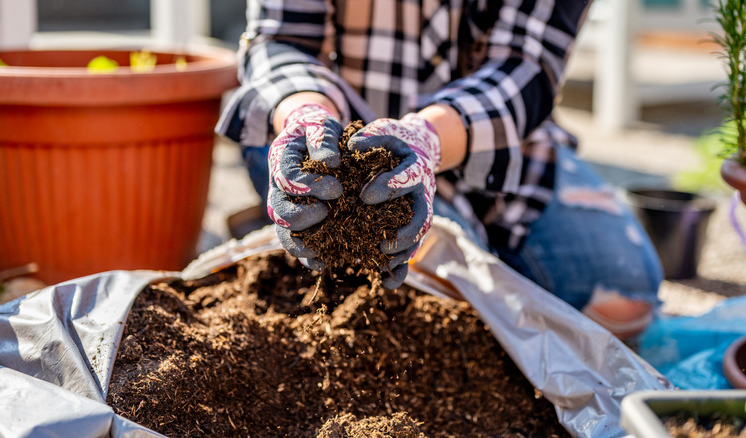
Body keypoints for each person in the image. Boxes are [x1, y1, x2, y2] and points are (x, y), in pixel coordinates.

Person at [216, 0, 663, 339]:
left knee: (627, 293)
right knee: (419, 291)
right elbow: (281, 40)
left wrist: (426, 140)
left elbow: (528, 66)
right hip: (336, 139)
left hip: (491, 146)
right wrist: (305, 113)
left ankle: (467, 238)